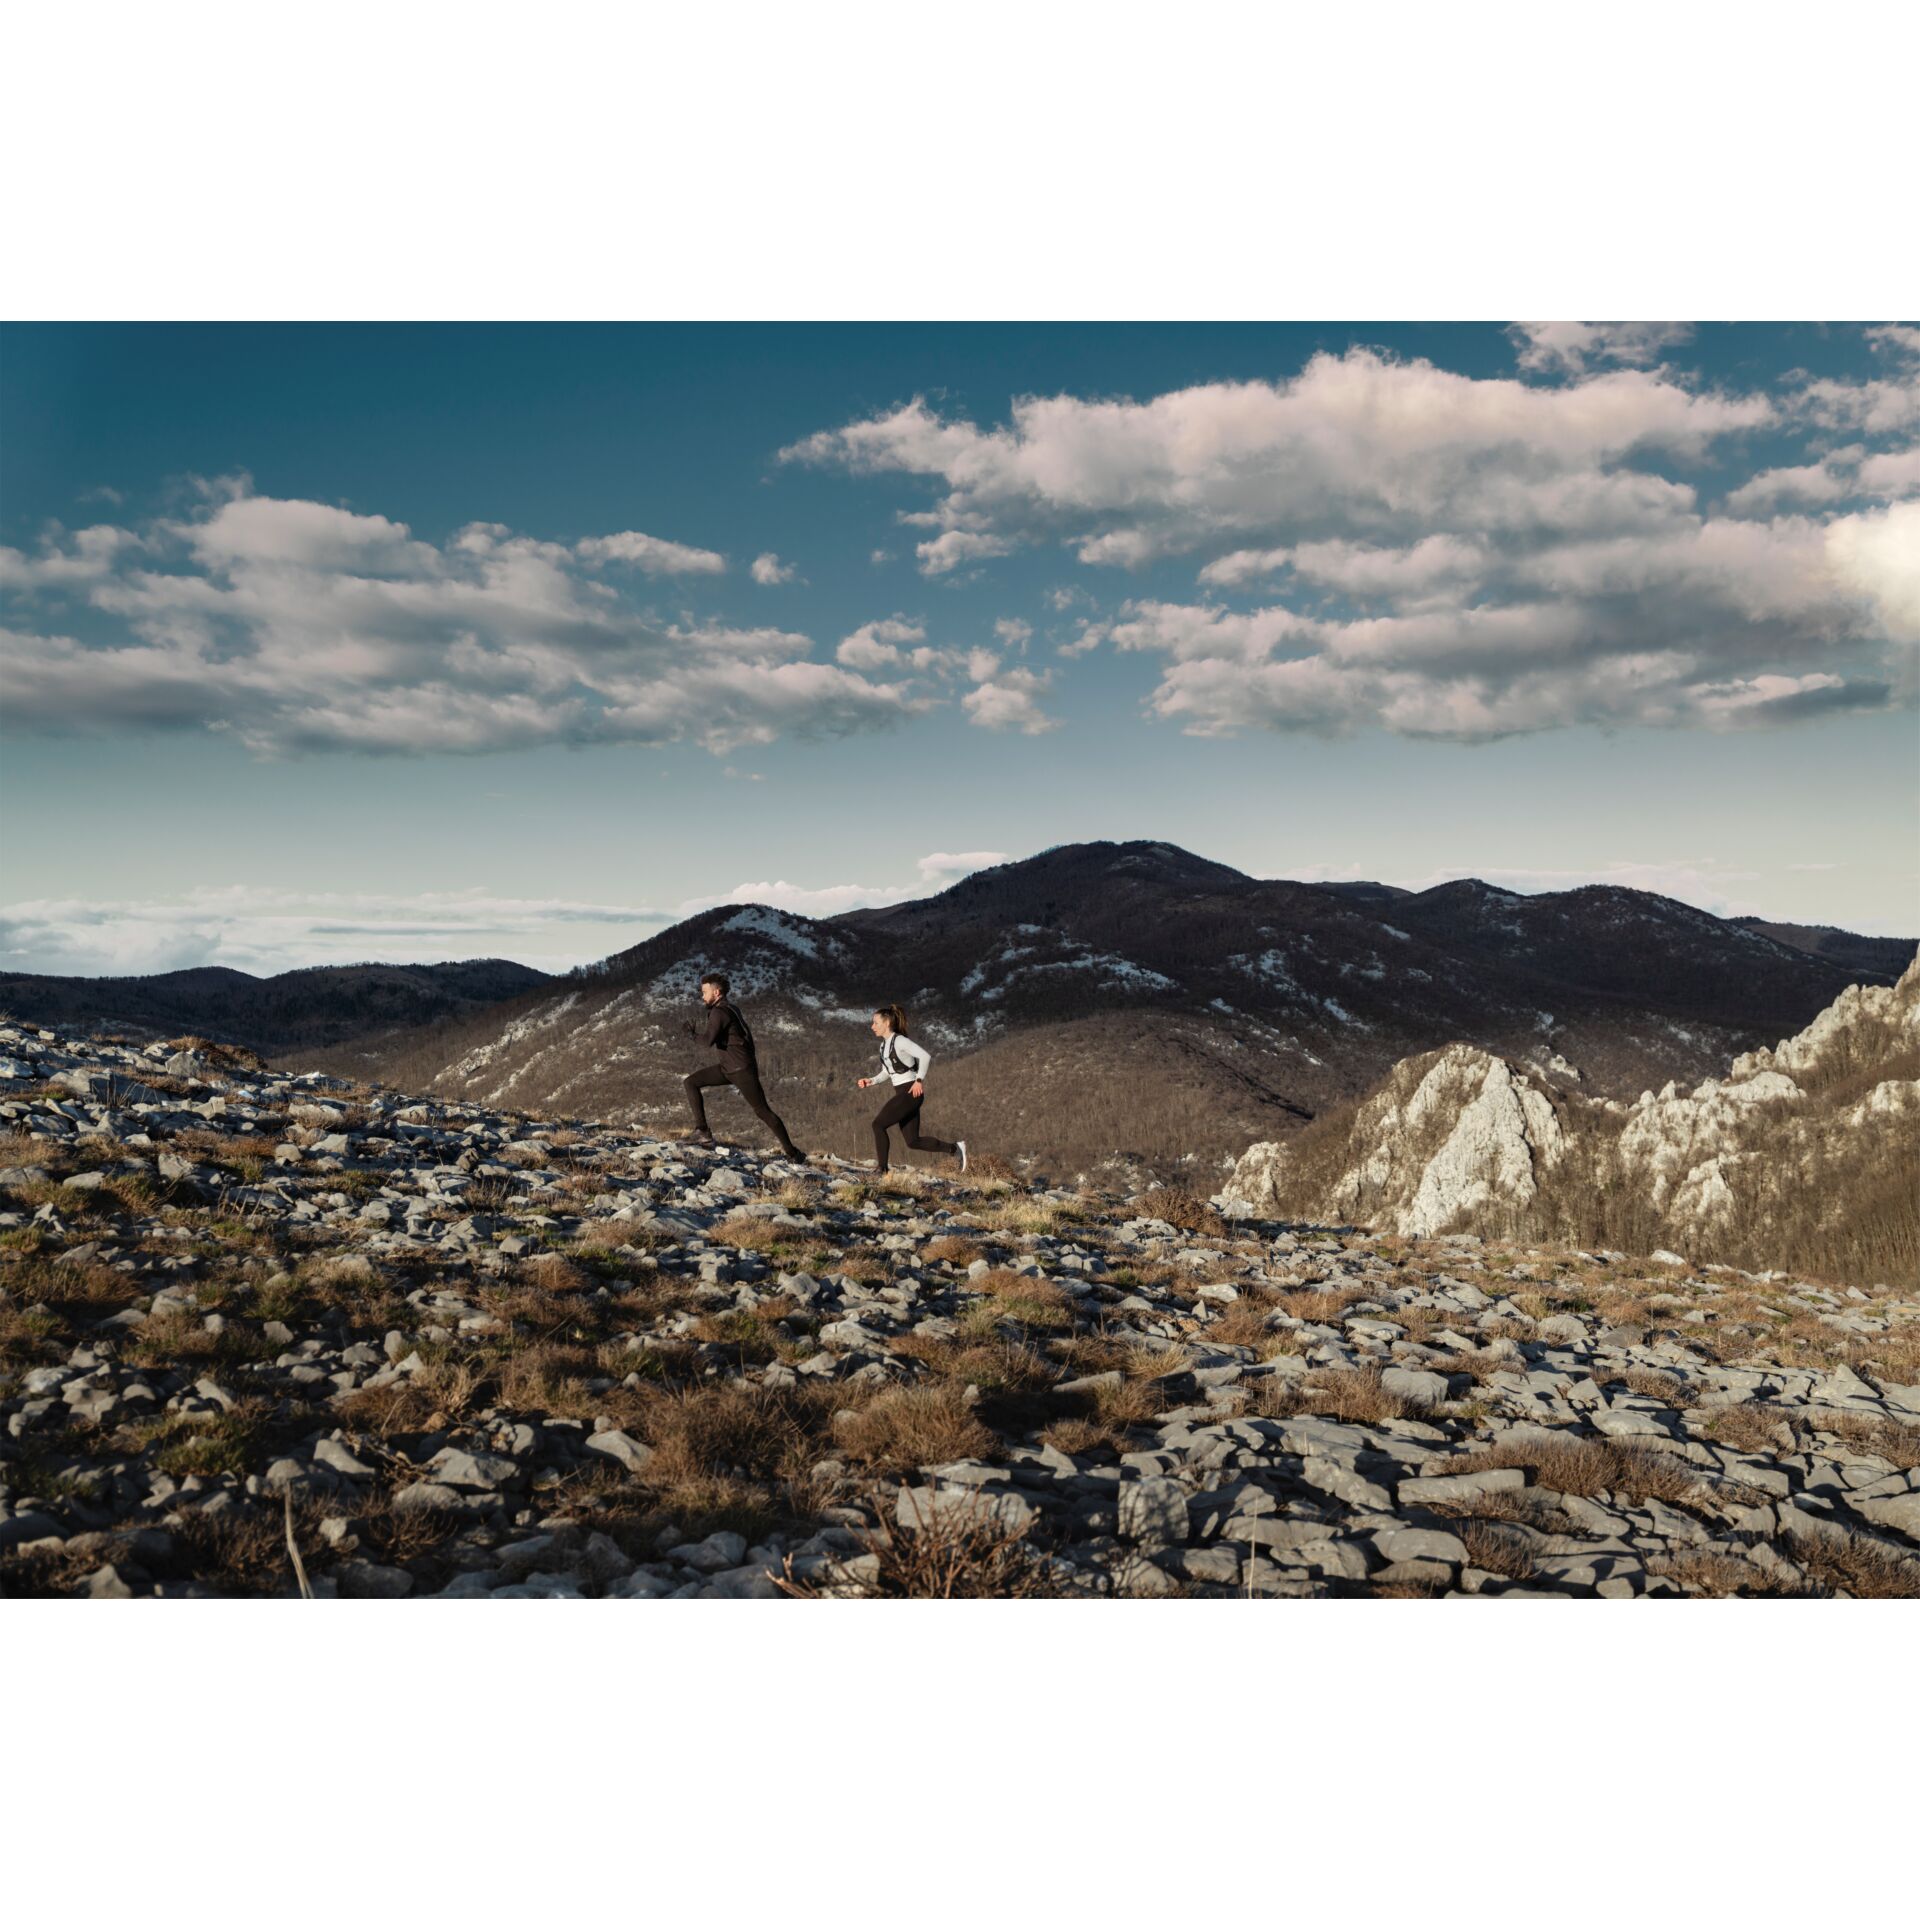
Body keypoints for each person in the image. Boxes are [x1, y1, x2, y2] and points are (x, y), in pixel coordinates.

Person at [682, 972, 805, 1160]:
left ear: (716, 992)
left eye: (705, 992)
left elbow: (707, 1041)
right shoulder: (731, 1008)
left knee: (762, 1111)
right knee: (691, 1082)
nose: (702, 996)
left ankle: (793, 1153)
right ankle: (702, 1132)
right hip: (729, 1068)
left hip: (740, 1071)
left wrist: (691, 1035)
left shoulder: (719, 1012)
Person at [859, 1003, 967, 1174]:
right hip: (903, 1093)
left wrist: (919, 1080)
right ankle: (955, 1148)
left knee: (878, 1125)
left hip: (911, 1092)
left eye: (876, 1023)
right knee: (912, 1141)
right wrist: (871, 1081)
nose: (872, 1027)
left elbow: (925, 1056)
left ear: (887, 1023)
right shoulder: (883, 1046)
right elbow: (888, 1071)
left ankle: (882, 1169)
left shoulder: (900, 1041)